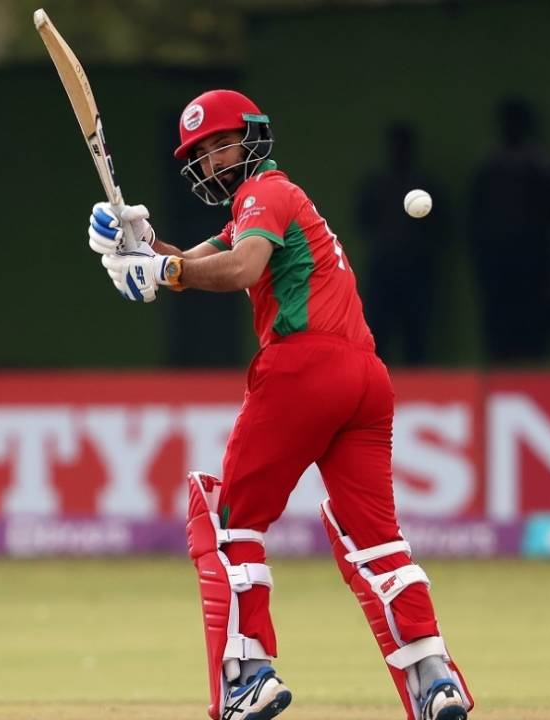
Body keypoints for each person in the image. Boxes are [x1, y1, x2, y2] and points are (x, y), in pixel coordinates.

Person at [86, 89, 473, 720]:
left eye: (221, 142)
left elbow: (238, 269)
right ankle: (436, 680)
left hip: (303, 367)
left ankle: (249, 674)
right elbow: (190, 263)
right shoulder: (262, 205)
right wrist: (139, 246)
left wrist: (165, 275)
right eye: (202, 153)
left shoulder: (263, 192)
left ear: (253, 136)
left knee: (227, 523)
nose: (213, 160)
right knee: (375, 541)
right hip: (365, 380)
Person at [468, 98, 550, 362]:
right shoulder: (490, 164)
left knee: (531, 312)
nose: (511, 129)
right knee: (497, 313)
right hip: (496, 254)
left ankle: (532, 366)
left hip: (531, 252)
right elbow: (477, 213)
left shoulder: (541, 164)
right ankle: (498, 366)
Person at [355, 123, 446, 365]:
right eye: (396, 146)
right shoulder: (376, 186)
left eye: (404, 146)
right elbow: (363, 221)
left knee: (416, 337)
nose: (399, 151)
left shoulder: (427, 186)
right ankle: (374, 388)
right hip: (383, 271)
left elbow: (440, 229)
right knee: (377, 336)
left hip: (417, 272)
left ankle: (418, 391)